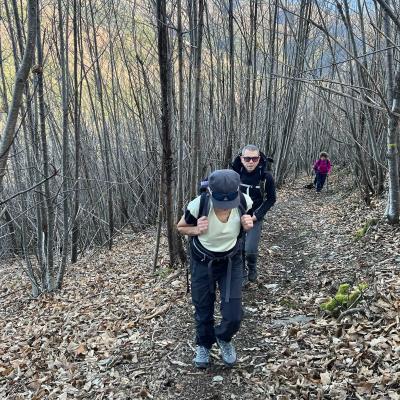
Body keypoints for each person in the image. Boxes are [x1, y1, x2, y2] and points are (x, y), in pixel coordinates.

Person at [177, 169, 253, 368]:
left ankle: (224, 338)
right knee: (203, 308)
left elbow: (249, 218)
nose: (225, 208)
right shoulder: (198, 205)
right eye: (221, 204)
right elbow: (180, 227)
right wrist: (196, 229)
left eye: (229, 204)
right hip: (203, 263)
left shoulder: (244, 201)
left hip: (231, 262)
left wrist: (248, 223)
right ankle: (203, 344)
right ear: (210, 193)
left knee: (234, 315)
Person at [231, 144, 276, 284]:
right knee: (239, 247)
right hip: (237, 216)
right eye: (247, 158)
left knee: (250, 248)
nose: (251, 162)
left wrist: (257, 215)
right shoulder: (235, 175)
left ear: (259, 159)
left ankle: (252, 267)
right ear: (241, 158)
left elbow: (271, 198)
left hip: (255, 217)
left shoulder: (266, 177)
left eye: (254, 159)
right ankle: (242, 272)